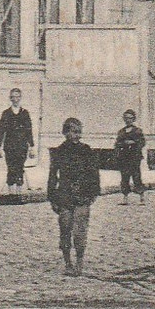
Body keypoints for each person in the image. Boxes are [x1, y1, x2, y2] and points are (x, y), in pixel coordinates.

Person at [47, 117, 104, 277]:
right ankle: (67, 263)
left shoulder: (87, 151)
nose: (77, 136)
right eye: (73, 132)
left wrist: (93, 193)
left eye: (79, 132)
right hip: (64, 196)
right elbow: (53, 176)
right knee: (65, 228)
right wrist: (52, 197)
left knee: (80, 231)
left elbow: (94, 174)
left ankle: (79, 261)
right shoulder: (58, 152)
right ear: (65, 132)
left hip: (83, 195)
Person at [0, 88, 34, 192]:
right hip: (9, 145)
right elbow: (1, 130)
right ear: (10, 98)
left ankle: (19, 192)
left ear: (20, 98)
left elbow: (29, 130)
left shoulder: (25, 113)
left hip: (22, 146)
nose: (15, 99)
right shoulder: (6, 113)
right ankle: (11, 193)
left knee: (20, 167)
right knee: (11, 167)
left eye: (17, 97)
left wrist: (31, 147)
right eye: (13, 97)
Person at [115, 108, 147, 204]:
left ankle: (141, 197)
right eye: (126, 118)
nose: (128, 120)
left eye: (130, 118)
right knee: (124, 177)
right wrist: (122, 145)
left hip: (134, 157)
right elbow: (117, 143)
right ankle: (125, 197)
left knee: (136, 176)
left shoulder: (137, 131)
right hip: (124, 157)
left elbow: (142, 142)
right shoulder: (121, 132)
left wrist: (133, 142)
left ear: (134, 119)